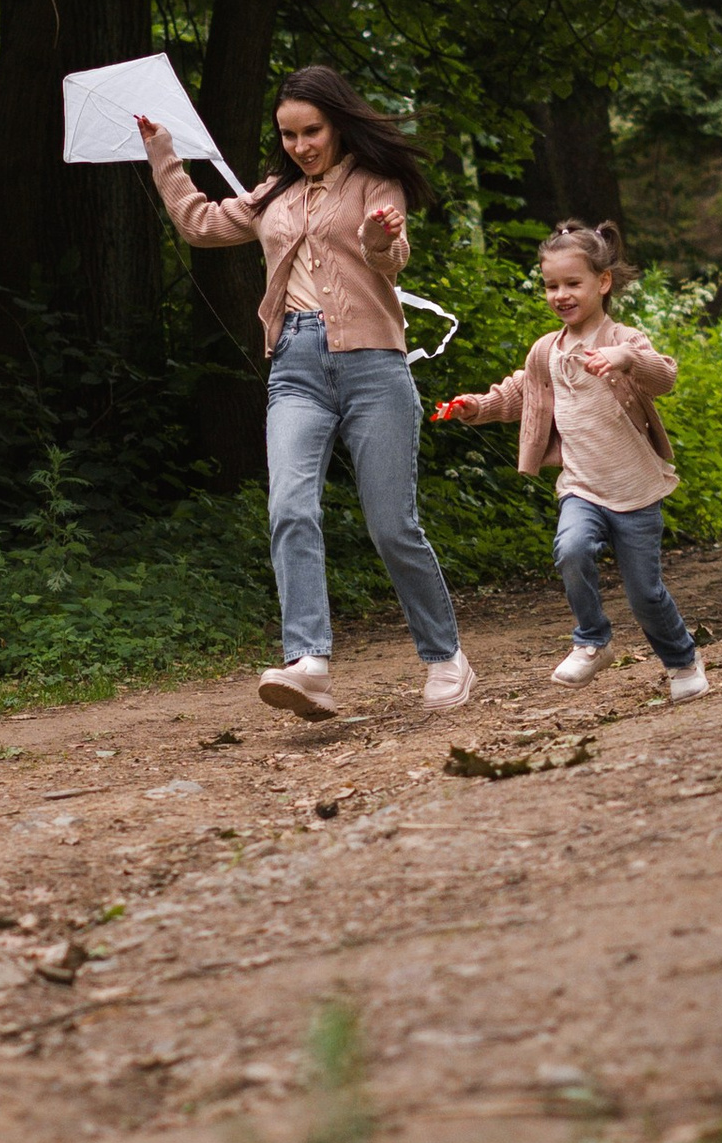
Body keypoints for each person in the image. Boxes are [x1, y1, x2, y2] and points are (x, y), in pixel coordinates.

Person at [137, 65, 478, 721]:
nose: (299, 145)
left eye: (311, 132)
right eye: (288, 135)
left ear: (339, 123)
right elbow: (200, 224)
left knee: (392, 526)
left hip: (374, 366)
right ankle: (309, 663)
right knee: (290, 507)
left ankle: (444, 658)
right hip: (295, 364)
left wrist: (380, 238)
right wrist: (162, 152)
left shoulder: (376, 184)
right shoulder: (273, 196)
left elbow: (390, 257)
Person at [434, 219, 707, 700]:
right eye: (551, 285)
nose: (560, 294)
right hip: (581, 486)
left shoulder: (625, 339)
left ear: (602, 283)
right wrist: (477, 406)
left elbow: (664, 377)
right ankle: (593, 640)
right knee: (571, 549)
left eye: (572, 283)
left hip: (637, 491)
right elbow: (520, 394)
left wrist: (626, 359)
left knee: (645, 595)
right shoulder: (547, 351)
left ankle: (682, 660)